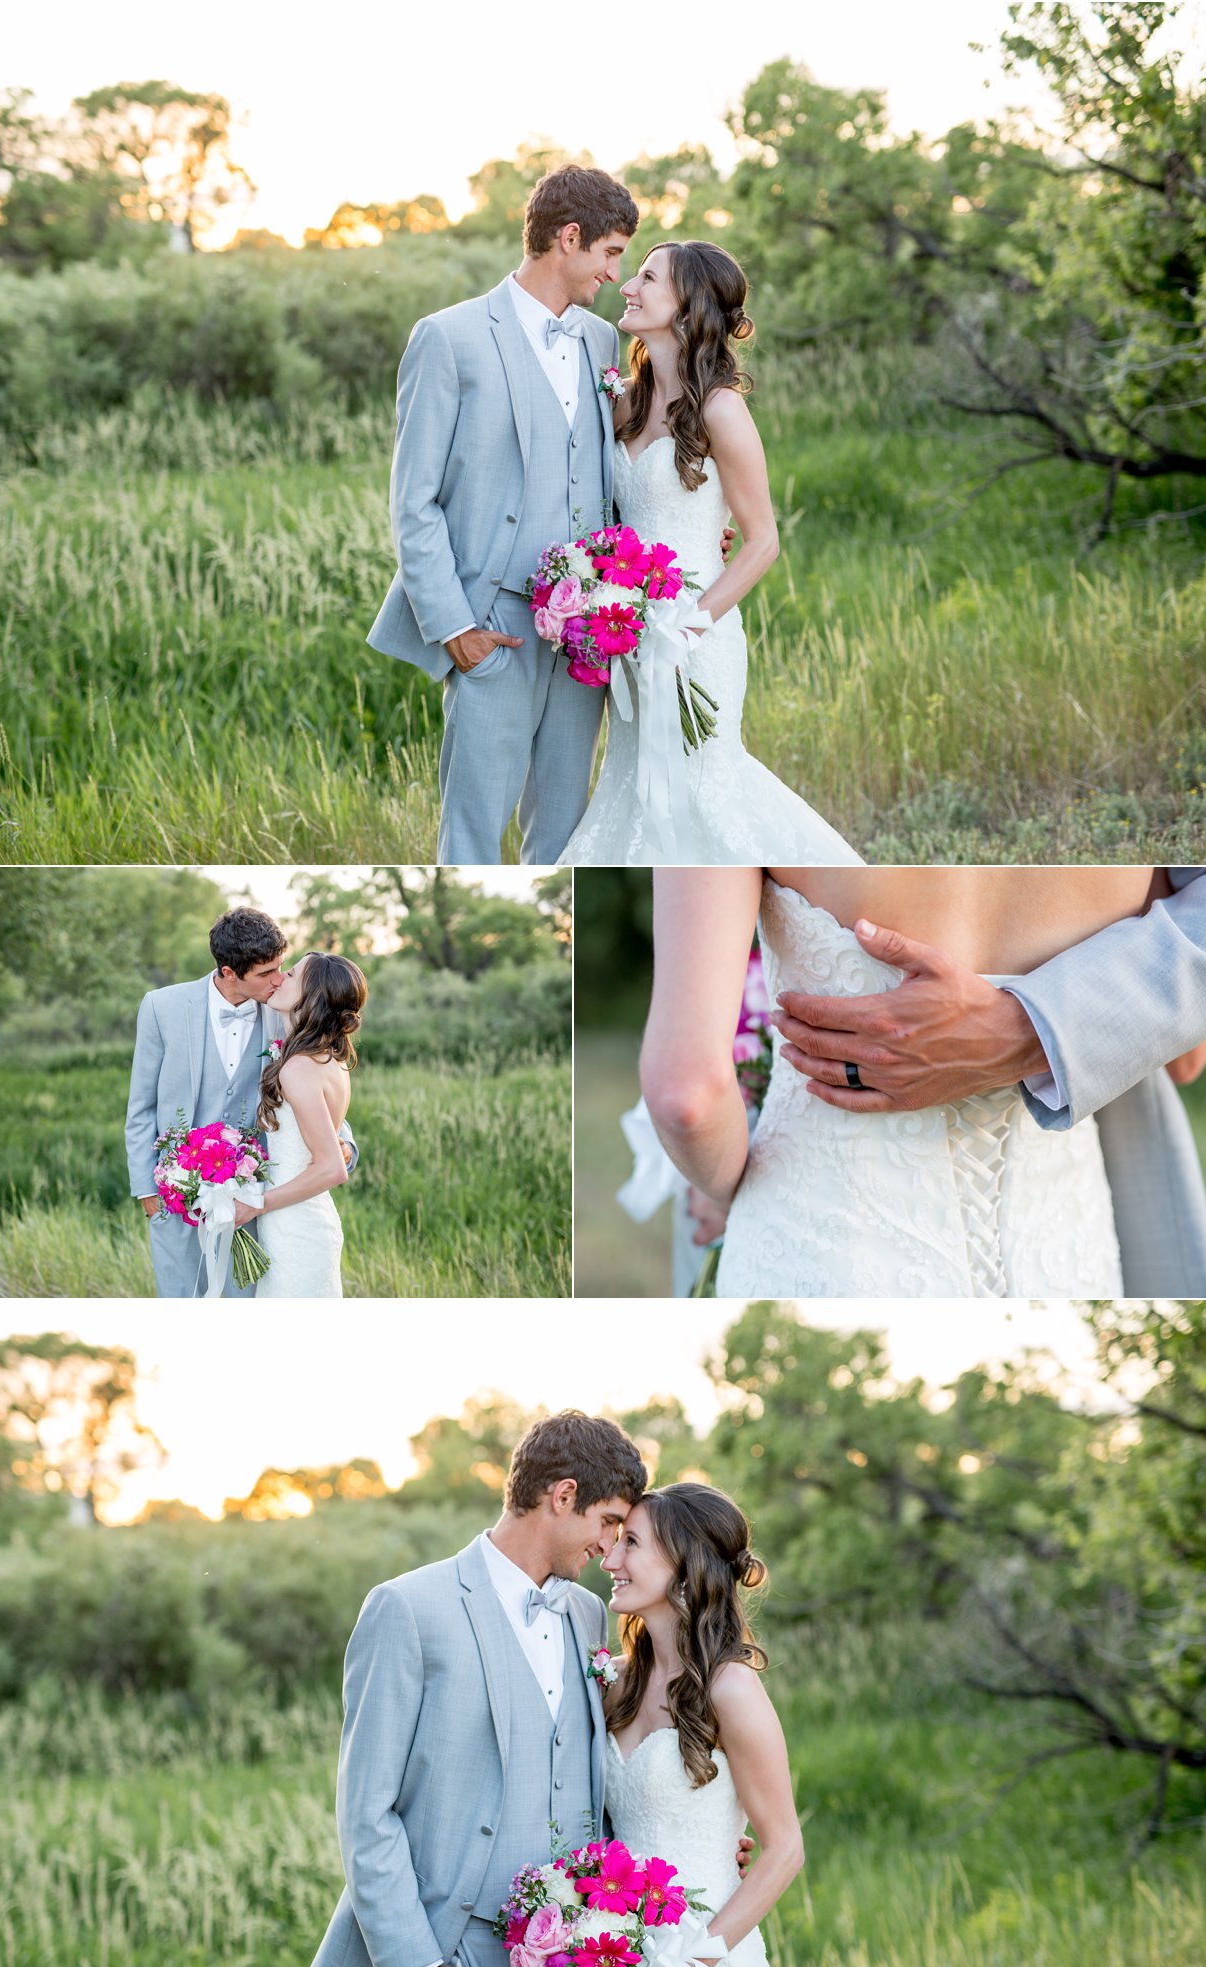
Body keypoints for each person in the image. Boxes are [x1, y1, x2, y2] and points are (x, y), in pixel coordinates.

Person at [307, 1413, 650, 1967]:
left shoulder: (589, 1613)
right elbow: (367, 1810)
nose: (612, 1546)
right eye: (609, 1521)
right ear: (563, 1495)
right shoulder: (408, 1608)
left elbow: (602, 1782)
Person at [642, 867, 1206, 1296]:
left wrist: (733, 1192)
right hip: (1067, 1255)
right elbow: (1189, 1058)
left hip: (819, 1243)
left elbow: (686, 1097)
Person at [559, 241, 862, 867]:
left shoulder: (722, 408)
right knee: (635, 782)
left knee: (704, 785)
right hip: (630, 634)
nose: (628, 286)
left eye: (647, 277)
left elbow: (763, 540)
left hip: (697, 633)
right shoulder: (626, 400)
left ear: (686, 304)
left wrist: (686, 624)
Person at [370, 166, 635, 865]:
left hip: (584, 643)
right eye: (609, 253)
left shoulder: (601, 344)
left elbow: (609, 482)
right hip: (491, 628)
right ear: (568, 238)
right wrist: (455, 627)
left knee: (563, 838)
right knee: (472, 838)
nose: (614, 274)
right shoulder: (447, 338)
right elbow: (413, 499)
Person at [592, 1484, 834, 1967]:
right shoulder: (618, 1683)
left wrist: (692, 1960)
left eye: (632, 1542)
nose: (611, 1556)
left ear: (684, 1564)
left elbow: (783, 1847)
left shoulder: (732, 1688)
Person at [124, 907, 356, 1298]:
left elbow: (318, 1083)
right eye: (267, 973)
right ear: (229, 972)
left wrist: (342, 1144)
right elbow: (141, 1105)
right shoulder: (161, 1007)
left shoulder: (287, 1012)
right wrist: (148, 1191)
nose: (279, 979)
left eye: (282, 967)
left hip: (256, 1197)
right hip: (177, 1198)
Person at [233, 951, 367, 1299]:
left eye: (290, 975)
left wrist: (256, 1203)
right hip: (297, 1223)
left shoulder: (300, 1068)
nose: (279, 978)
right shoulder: (326, 1057)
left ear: (312, 994)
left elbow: (331, 1169)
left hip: (298, 1233)